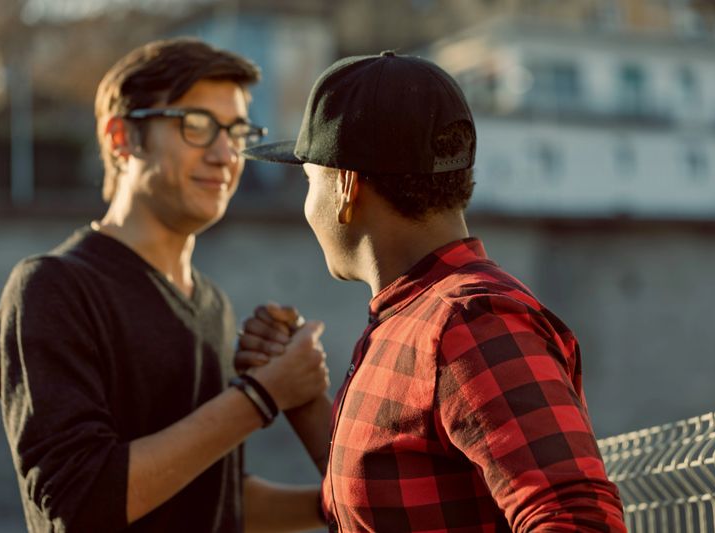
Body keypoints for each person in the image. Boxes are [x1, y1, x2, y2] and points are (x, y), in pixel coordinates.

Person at [240, 51, 627, 531]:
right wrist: (300, 399)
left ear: (344, 186)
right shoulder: (414, 318)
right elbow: (391, 496)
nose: (306, 202)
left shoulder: (469, 323)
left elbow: (578, 519)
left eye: (307, 179)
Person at [0, 38, 330, 533]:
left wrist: (351, 503)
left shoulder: (211, 304)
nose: (224, 154)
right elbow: (79, 503)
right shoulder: (52, 288)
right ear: (121, 137)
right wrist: (260, 396)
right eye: (195, 126)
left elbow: (210, 501)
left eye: (236, 132)